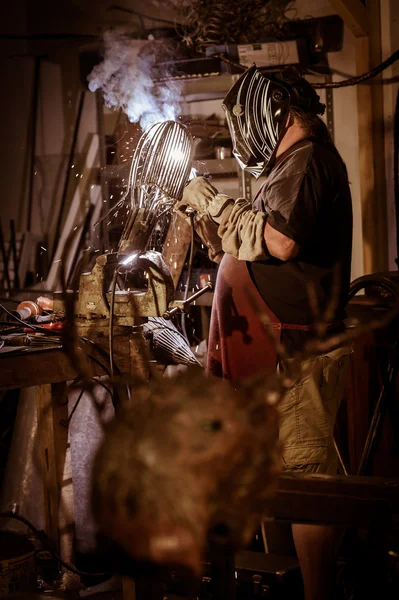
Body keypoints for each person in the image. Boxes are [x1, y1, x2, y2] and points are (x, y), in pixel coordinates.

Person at [176, 65, 353, 600]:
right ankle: (283, 586)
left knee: (305, 484)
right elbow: (249, 246)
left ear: (275, 115)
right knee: (276, 484)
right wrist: (211, 226)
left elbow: (278, 243)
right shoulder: (285, 168)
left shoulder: (309, 160)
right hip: (269, 353)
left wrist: (212, 201)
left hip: (296, 351)